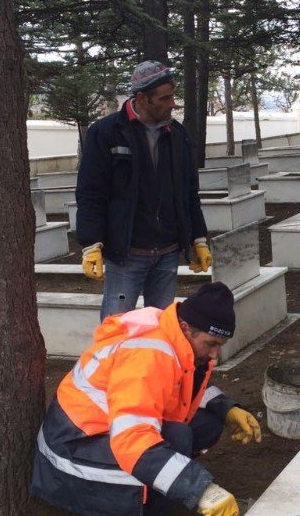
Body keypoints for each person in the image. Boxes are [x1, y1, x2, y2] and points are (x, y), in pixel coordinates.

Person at [31, 282, 262, 516]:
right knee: (177, 437)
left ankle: (152, 489)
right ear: (187, 328)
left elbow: (184, 385)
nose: (215, 354)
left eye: (220, 345)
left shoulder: (176, 337)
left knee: (207, 425)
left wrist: (227, 408)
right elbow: (132, 441)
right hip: (71, 451)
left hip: (101, 433)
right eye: (211, 344)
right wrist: (199, 489)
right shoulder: (146, 356)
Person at [76, 60, 212, 321]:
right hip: (127, 255)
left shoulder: (178, 135)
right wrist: (91, 243)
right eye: (165, 98)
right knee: (116, 331)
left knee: (159, 329)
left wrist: (199, 239)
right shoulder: (106, 133)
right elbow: (91, 192)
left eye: (173, 95)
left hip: (168, 253)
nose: (172, 103)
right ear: (141, 98)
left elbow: (189, 193)